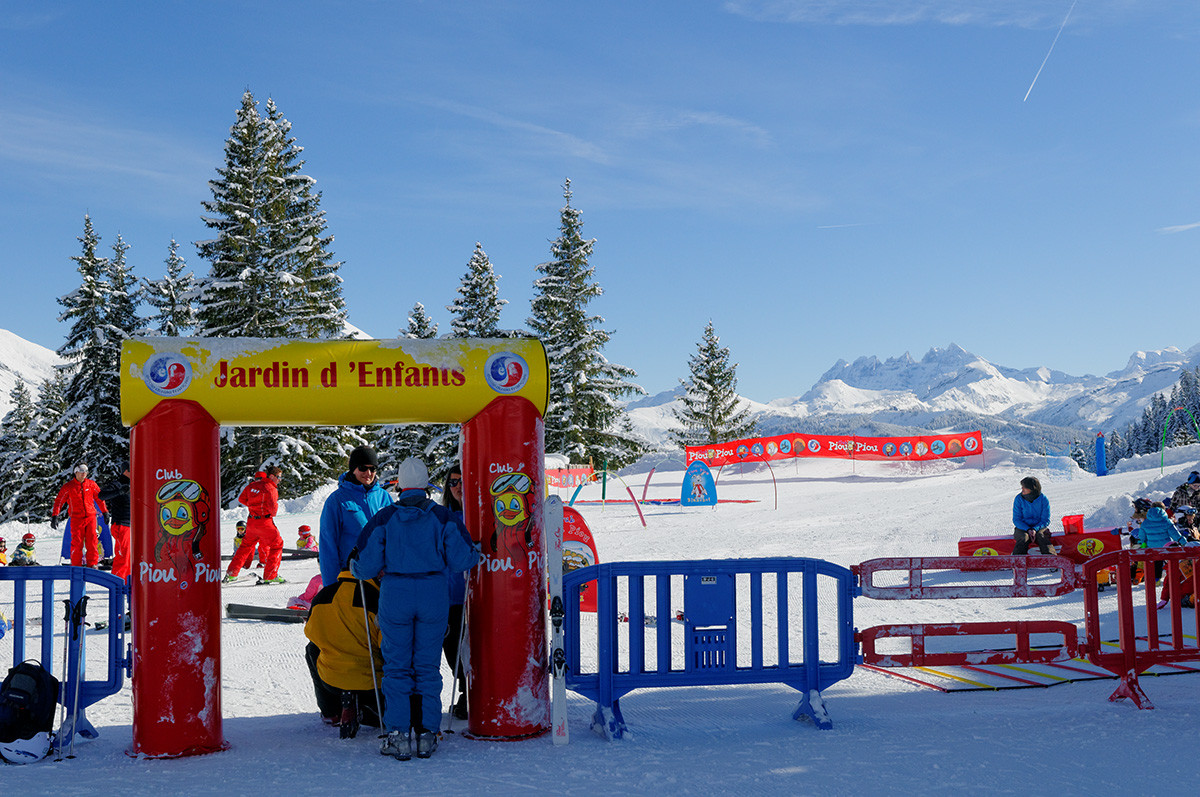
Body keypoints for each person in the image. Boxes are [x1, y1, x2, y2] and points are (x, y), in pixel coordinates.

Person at [350, 457, 479, 761]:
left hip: (396, 593)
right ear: (426, 485)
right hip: (434, 593)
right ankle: (427, 734)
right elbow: (464, 560)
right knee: (427, 666)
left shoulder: (384, 518)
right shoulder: (443, 516)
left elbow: (364, 564)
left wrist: (357, 566)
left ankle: (397, 734)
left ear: (399, 485)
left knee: (397, 666)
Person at [303, 569, 386, 739]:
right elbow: (387, 646)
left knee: (312, 649)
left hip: (332, 680)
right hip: (372, 683)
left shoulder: (324, 594)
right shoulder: (378, 597)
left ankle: (331, 711)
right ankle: (369, 710)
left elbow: (312, 633)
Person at [318, 445, 391, 589]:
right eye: (363, 468)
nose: (368, 473)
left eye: (373, 468)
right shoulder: (337, 500)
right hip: (351, 579)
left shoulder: (384, 497)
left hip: (383, 579)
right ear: (353, 468)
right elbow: (328, 547)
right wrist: (331, 588)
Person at [440, 462, 468, 720]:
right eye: (452, 482)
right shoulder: (441, 516)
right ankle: (465, 691)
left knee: (469, 648)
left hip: (472, 594)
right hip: (447, 595)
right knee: (451, 648)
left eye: (461, 481)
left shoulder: (478, 514)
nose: (457, 487)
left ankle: (468, 693)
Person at [224, 466, 285, 585]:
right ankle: (270, 575)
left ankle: (232, 574)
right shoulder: (271, 488)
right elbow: (273, 511)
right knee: (277, 545)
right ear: (272, 476)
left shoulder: (252, 486)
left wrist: (253, 506)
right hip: (265, 522)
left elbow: (242, 499)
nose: (279, 480)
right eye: (278, 477)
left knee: (245, 546)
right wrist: (262, 509)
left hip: (251, 522)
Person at [51, 464, 107, 568]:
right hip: (76, 518)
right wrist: (55, 515)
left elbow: (100, 498)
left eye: (86, 471)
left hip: (90, 517)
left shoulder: (91, 484)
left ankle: (93, 564)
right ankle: (76, 565)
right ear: (75, 472)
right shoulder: (69, 486)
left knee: (92, 541)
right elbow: (59, 501)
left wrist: (105, 512)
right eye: (81, 471)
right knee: (77, 542)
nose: (84, 473)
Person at [98, 462, 132, 580]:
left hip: (131, 525)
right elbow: (101, 495)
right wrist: (119, 492)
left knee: (129, 556)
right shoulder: (118, 484)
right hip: (121, 524)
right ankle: (118, 582)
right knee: (124, 555)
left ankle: (127, 581)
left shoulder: (134, 484)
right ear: (126, 471)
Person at [1012, 476, 1051, 555]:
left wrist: (1035, 529)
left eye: (1024, 487)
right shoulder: (1019, 499)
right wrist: (1028, 529)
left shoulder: (1043, 499)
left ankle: (1052, 561)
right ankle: (1017, 562)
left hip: (1039, 527)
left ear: (1032, 488)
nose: (1022, 489)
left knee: (1041, 536)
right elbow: (1016, 519)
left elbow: (1045, 520)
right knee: (1024, 537)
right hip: (1023, 527)